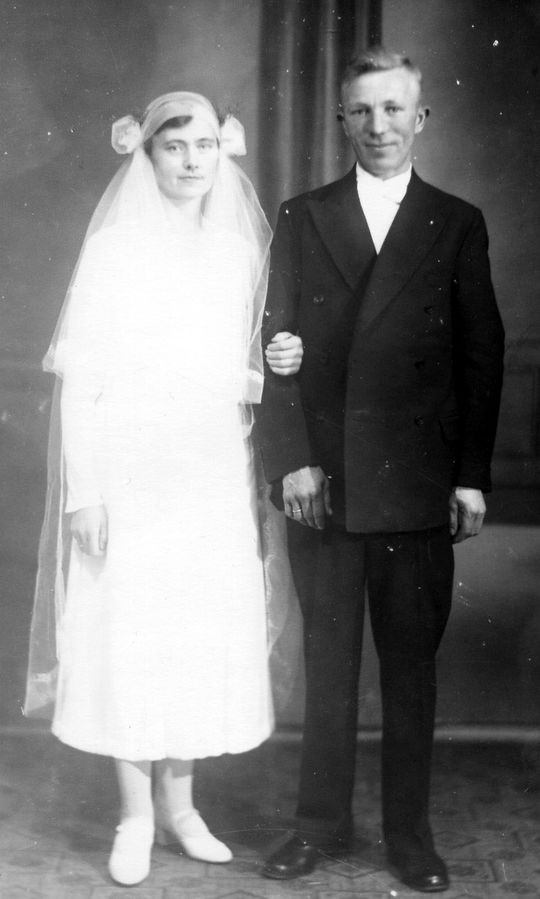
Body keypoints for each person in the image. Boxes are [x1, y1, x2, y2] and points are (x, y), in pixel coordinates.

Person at [24, 91, 303, 887]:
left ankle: (182, 807)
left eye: (204, 145)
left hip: (210, 470)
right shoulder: (114, 250)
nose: (191, 161)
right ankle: (136, 815)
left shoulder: (237, 253)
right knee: (131, 633)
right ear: (146, 156)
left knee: (194, 635)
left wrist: (278, 359)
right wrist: (87, 490)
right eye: (174, 146)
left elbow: (244, 364)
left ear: (223, 152)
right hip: (130, 474)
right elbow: (82, 380)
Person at [256, 48, 504, 893]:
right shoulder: (303, 215)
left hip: (415, 482)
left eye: (394, 109)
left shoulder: (456, 221)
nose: (379, 126)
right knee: (328, 668)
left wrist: (469, 475)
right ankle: (317, 826)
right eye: (361, 110)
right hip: (324, 484)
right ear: (342, 121)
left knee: (409, 671)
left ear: (420, 119)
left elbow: (481, 354)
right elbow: (274, 345)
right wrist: (291, 460)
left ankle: (410, 836)